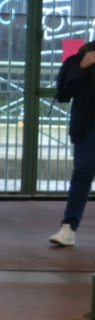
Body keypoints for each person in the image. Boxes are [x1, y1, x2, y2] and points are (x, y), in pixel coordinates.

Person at [51, 42, 95, 247]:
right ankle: (68, 227)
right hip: (89, 124)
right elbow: (64, 91)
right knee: (83, 170)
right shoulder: (85, 55)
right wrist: (82, 67)